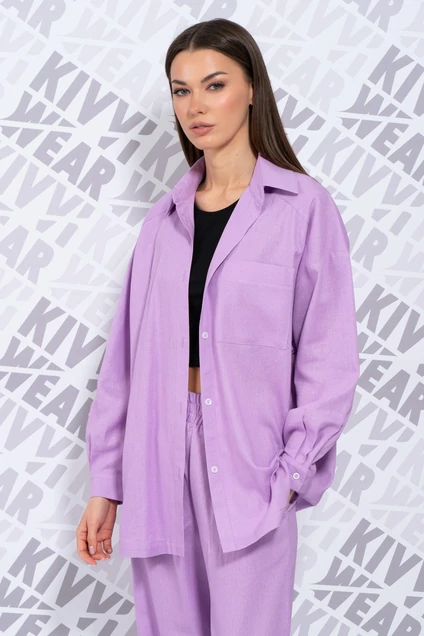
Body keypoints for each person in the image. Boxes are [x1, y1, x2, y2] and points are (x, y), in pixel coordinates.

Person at [76, 18, 360, 636]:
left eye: (214, 85)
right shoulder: (162, 223)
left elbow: (328, 357)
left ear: (252, 88)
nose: (195, 106)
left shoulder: (303, 209)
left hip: (251, 464)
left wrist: (291, 474)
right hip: (156, 459)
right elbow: (123, 364)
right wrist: (106, 484)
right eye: (181, 90)